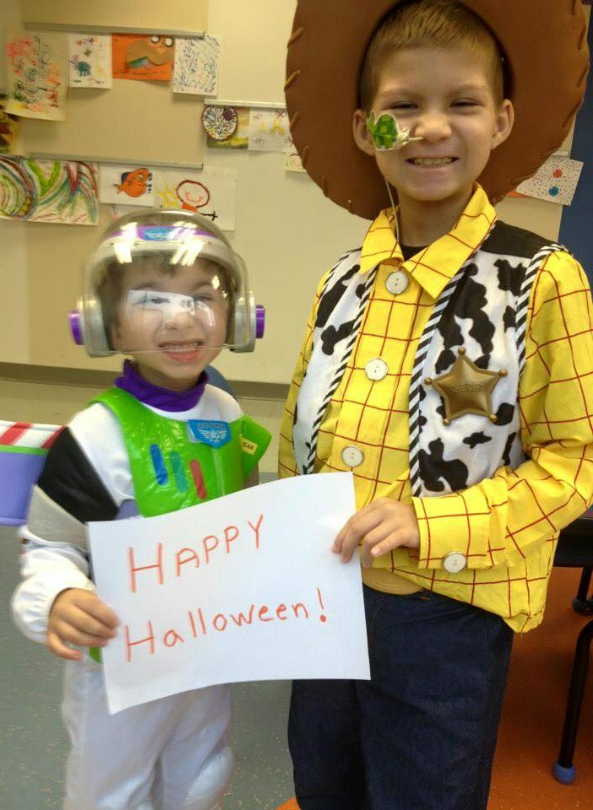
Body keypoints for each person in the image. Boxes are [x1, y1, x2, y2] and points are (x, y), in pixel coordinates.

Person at [281, 1, 593, 808]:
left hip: (444, 622)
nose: (429, 129)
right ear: (363, 128)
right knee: (324, 783)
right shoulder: (342, 278)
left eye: (461, 103)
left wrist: (430, 520)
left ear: (503, 119)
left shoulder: (541, 281)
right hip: (323, 604)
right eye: (401, 108)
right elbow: (298, 436)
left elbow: (574, 464)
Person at [12, 209, 271, 810]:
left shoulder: (228, 417)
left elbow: (246, 526)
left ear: (235, 315)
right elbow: (49, 546)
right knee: (114, 792)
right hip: (120, 665)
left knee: (202, 776)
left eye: (202, 298)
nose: (181, 318)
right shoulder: (96, 435)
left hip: (204, 653)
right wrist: (58, 597)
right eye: (151, 300)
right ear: (106, 324)